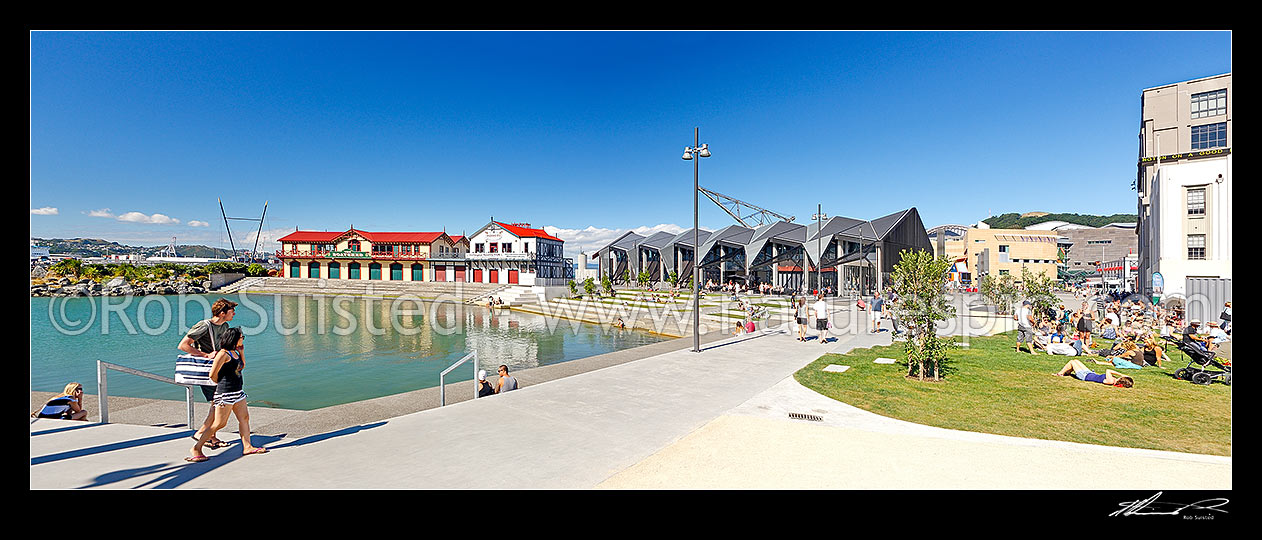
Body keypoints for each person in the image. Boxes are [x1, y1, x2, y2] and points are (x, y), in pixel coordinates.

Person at [188, 328, 266, 462]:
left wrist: (242, 353)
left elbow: (241, 367)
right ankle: (197, 448)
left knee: (244, 418)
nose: (242, 339)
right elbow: (212, 374)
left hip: (238, 392)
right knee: (219, 424)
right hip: (225, 394)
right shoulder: (223, 354)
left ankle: (247, 446)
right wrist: (223, 385)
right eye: (241, 337)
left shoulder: (234, 352)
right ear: (233, 338)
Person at [177, 297, 237, 450]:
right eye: (232, 311)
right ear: (222, 312)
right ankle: (202, 432)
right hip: (208, 370)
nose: (234, 314)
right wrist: (205, 355)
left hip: (220, 369)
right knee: (217, 403)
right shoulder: (204, 326)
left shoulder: (225, 326)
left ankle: (211, 437)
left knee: (217, 403)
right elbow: (183, 345)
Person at [1052, 359, 1134, 388]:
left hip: (1084, 376)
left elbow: (1108, 370)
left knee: (1072, 362)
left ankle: (1060, 373)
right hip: (1089, 373)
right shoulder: (1113, 380)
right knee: (1076, 361)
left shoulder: (1111, 381)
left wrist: (1121, 374)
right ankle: (1068, 373)